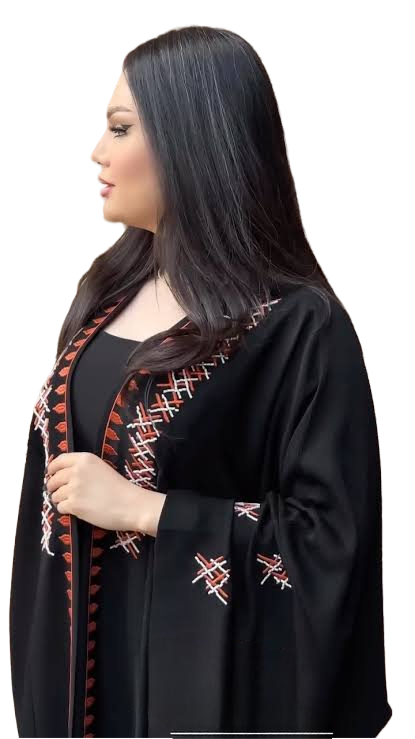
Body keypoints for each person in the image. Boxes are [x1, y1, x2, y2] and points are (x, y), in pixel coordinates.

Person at [9, 25, 392, 738]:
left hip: (204, 704)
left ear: (192, 141)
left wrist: (151, 511)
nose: (97, 152)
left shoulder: (299, 327)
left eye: (120, 128)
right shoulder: (102, 295)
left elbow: (330, 544)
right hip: (75, 697)